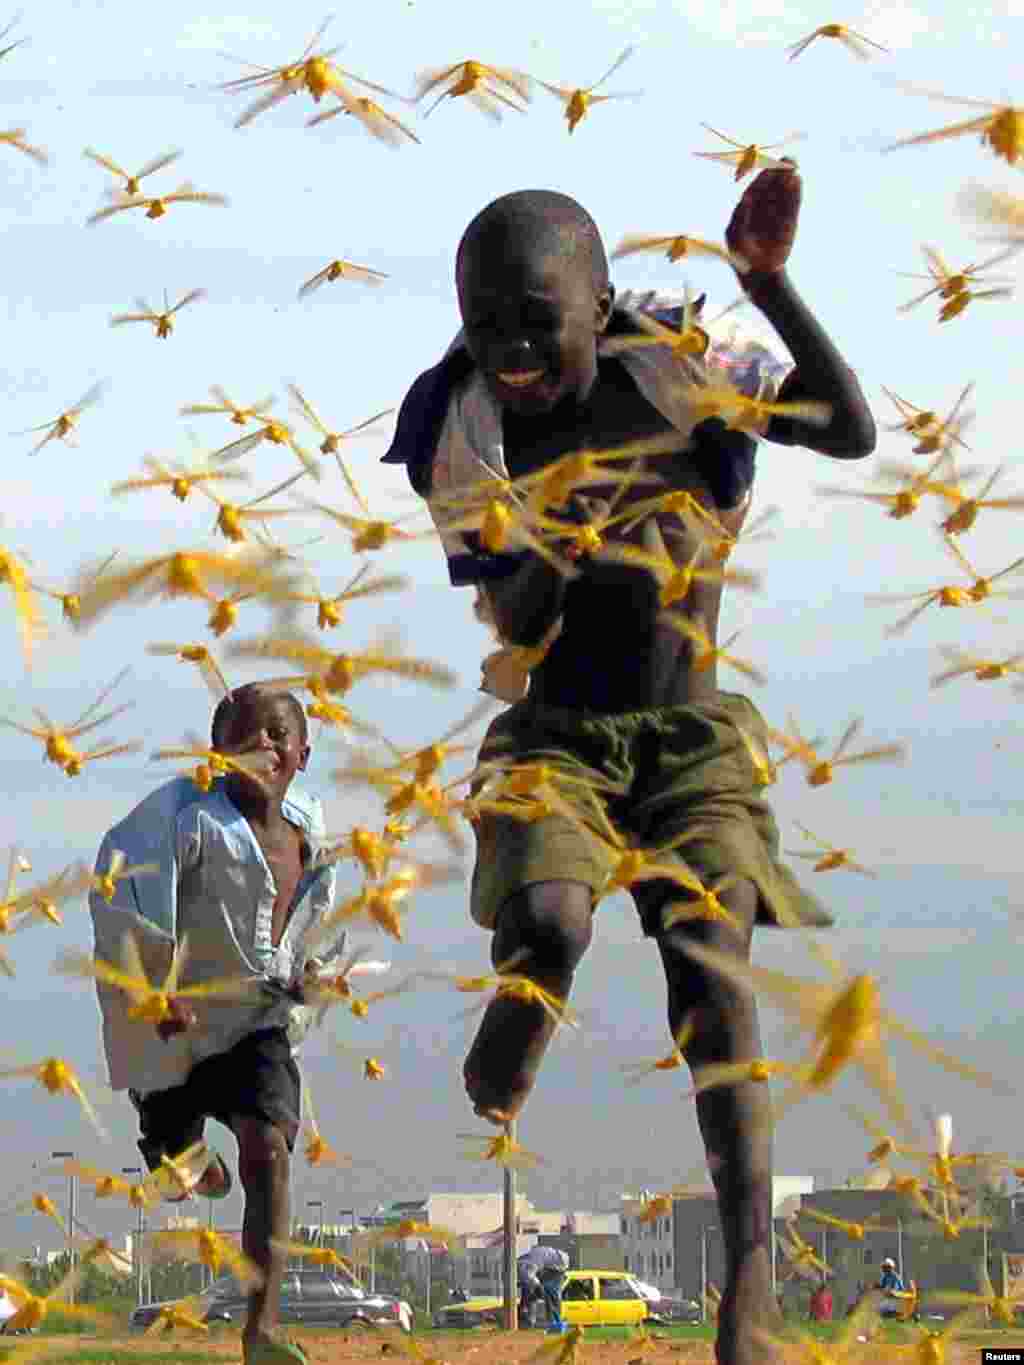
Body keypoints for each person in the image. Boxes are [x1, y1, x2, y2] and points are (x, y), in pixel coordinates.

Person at [383, 171, 874, 1365]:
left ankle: (748, 1290)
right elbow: (510, 612)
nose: (506, 346)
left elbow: (848, 429)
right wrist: (563, 540)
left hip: (690, 736)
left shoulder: (683, 364)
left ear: (599, 305)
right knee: (553, 915)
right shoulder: (467, 423)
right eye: (482, 318)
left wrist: (768, 283)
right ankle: (526, 989)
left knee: (712, 982)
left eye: (533, 319)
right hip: (559, 734)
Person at [88, 683, 343, 1365]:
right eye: (244, 735)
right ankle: (176, 1150)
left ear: (302, 755)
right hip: (178, 1024)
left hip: (256, 1025)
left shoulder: (310, 838)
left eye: (276, 734)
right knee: (178, 1155)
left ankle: (260, 1329)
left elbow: (316, 929)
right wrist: (152, 979)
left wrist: (311, 975)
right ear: (217, 754)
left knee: (270, 1152)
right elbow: (121, 882)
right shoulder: (190, 820)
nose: (262, 744)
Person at [518, 1245, 571, 1332]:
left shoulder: (531, 1265)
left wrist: (538, 1288)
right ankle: (528, 1319)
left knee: (550, 1292)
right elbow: (529, 1280)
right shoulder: (525, 1263)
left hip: (558, 1264)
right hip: (549, 1263)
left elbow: (531, 1277)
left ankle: (554, 1323)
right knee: (530, 1292)